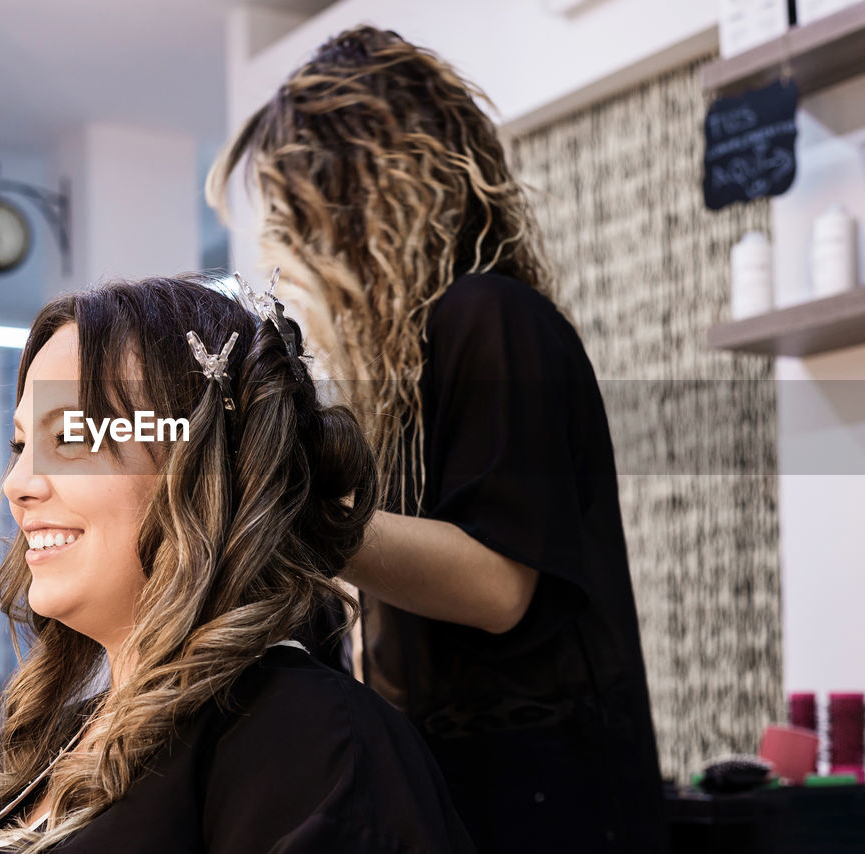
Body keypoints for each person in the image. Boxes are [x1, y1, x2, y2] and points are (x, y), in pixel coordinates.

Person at [209, 25, 666, 854]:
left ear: (360, 198)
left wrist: (293, 508)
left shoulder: (489, 318)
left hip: (545, 804)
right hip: (458, 788)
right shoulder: (402, 370)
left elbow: (496, 586)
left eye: (293, 213)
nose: (280, 244)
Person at [0, 276, 475, 854]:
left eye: (71, 438)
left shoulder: (307, 738)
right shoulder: (36, 745)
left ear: (205, 467)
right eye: (19, 446)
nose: (17, 485)